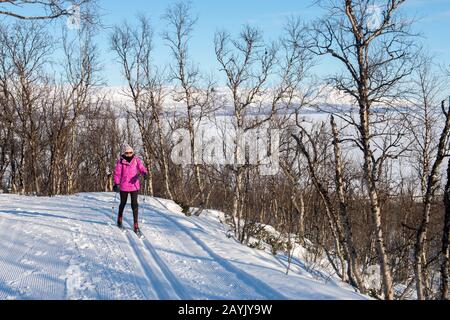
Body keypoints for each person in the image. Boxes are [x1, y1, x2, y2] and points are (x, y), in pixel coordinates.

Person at [113, 144, 148, 235]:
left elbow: (141, 168)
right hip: (124, 186)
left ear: (133, 152)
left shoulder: (136, 160)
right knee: (123, 203)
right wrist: (116, 183)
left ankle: (135, 224)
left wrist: (144, 173)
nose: (129, 154)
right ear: (124, 153)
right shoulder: (120, 161)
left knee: (134, 205)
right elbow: (117, 173)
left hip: (134, 186)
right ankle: (119, 219)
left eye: (130, 152)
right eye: (127, 153)